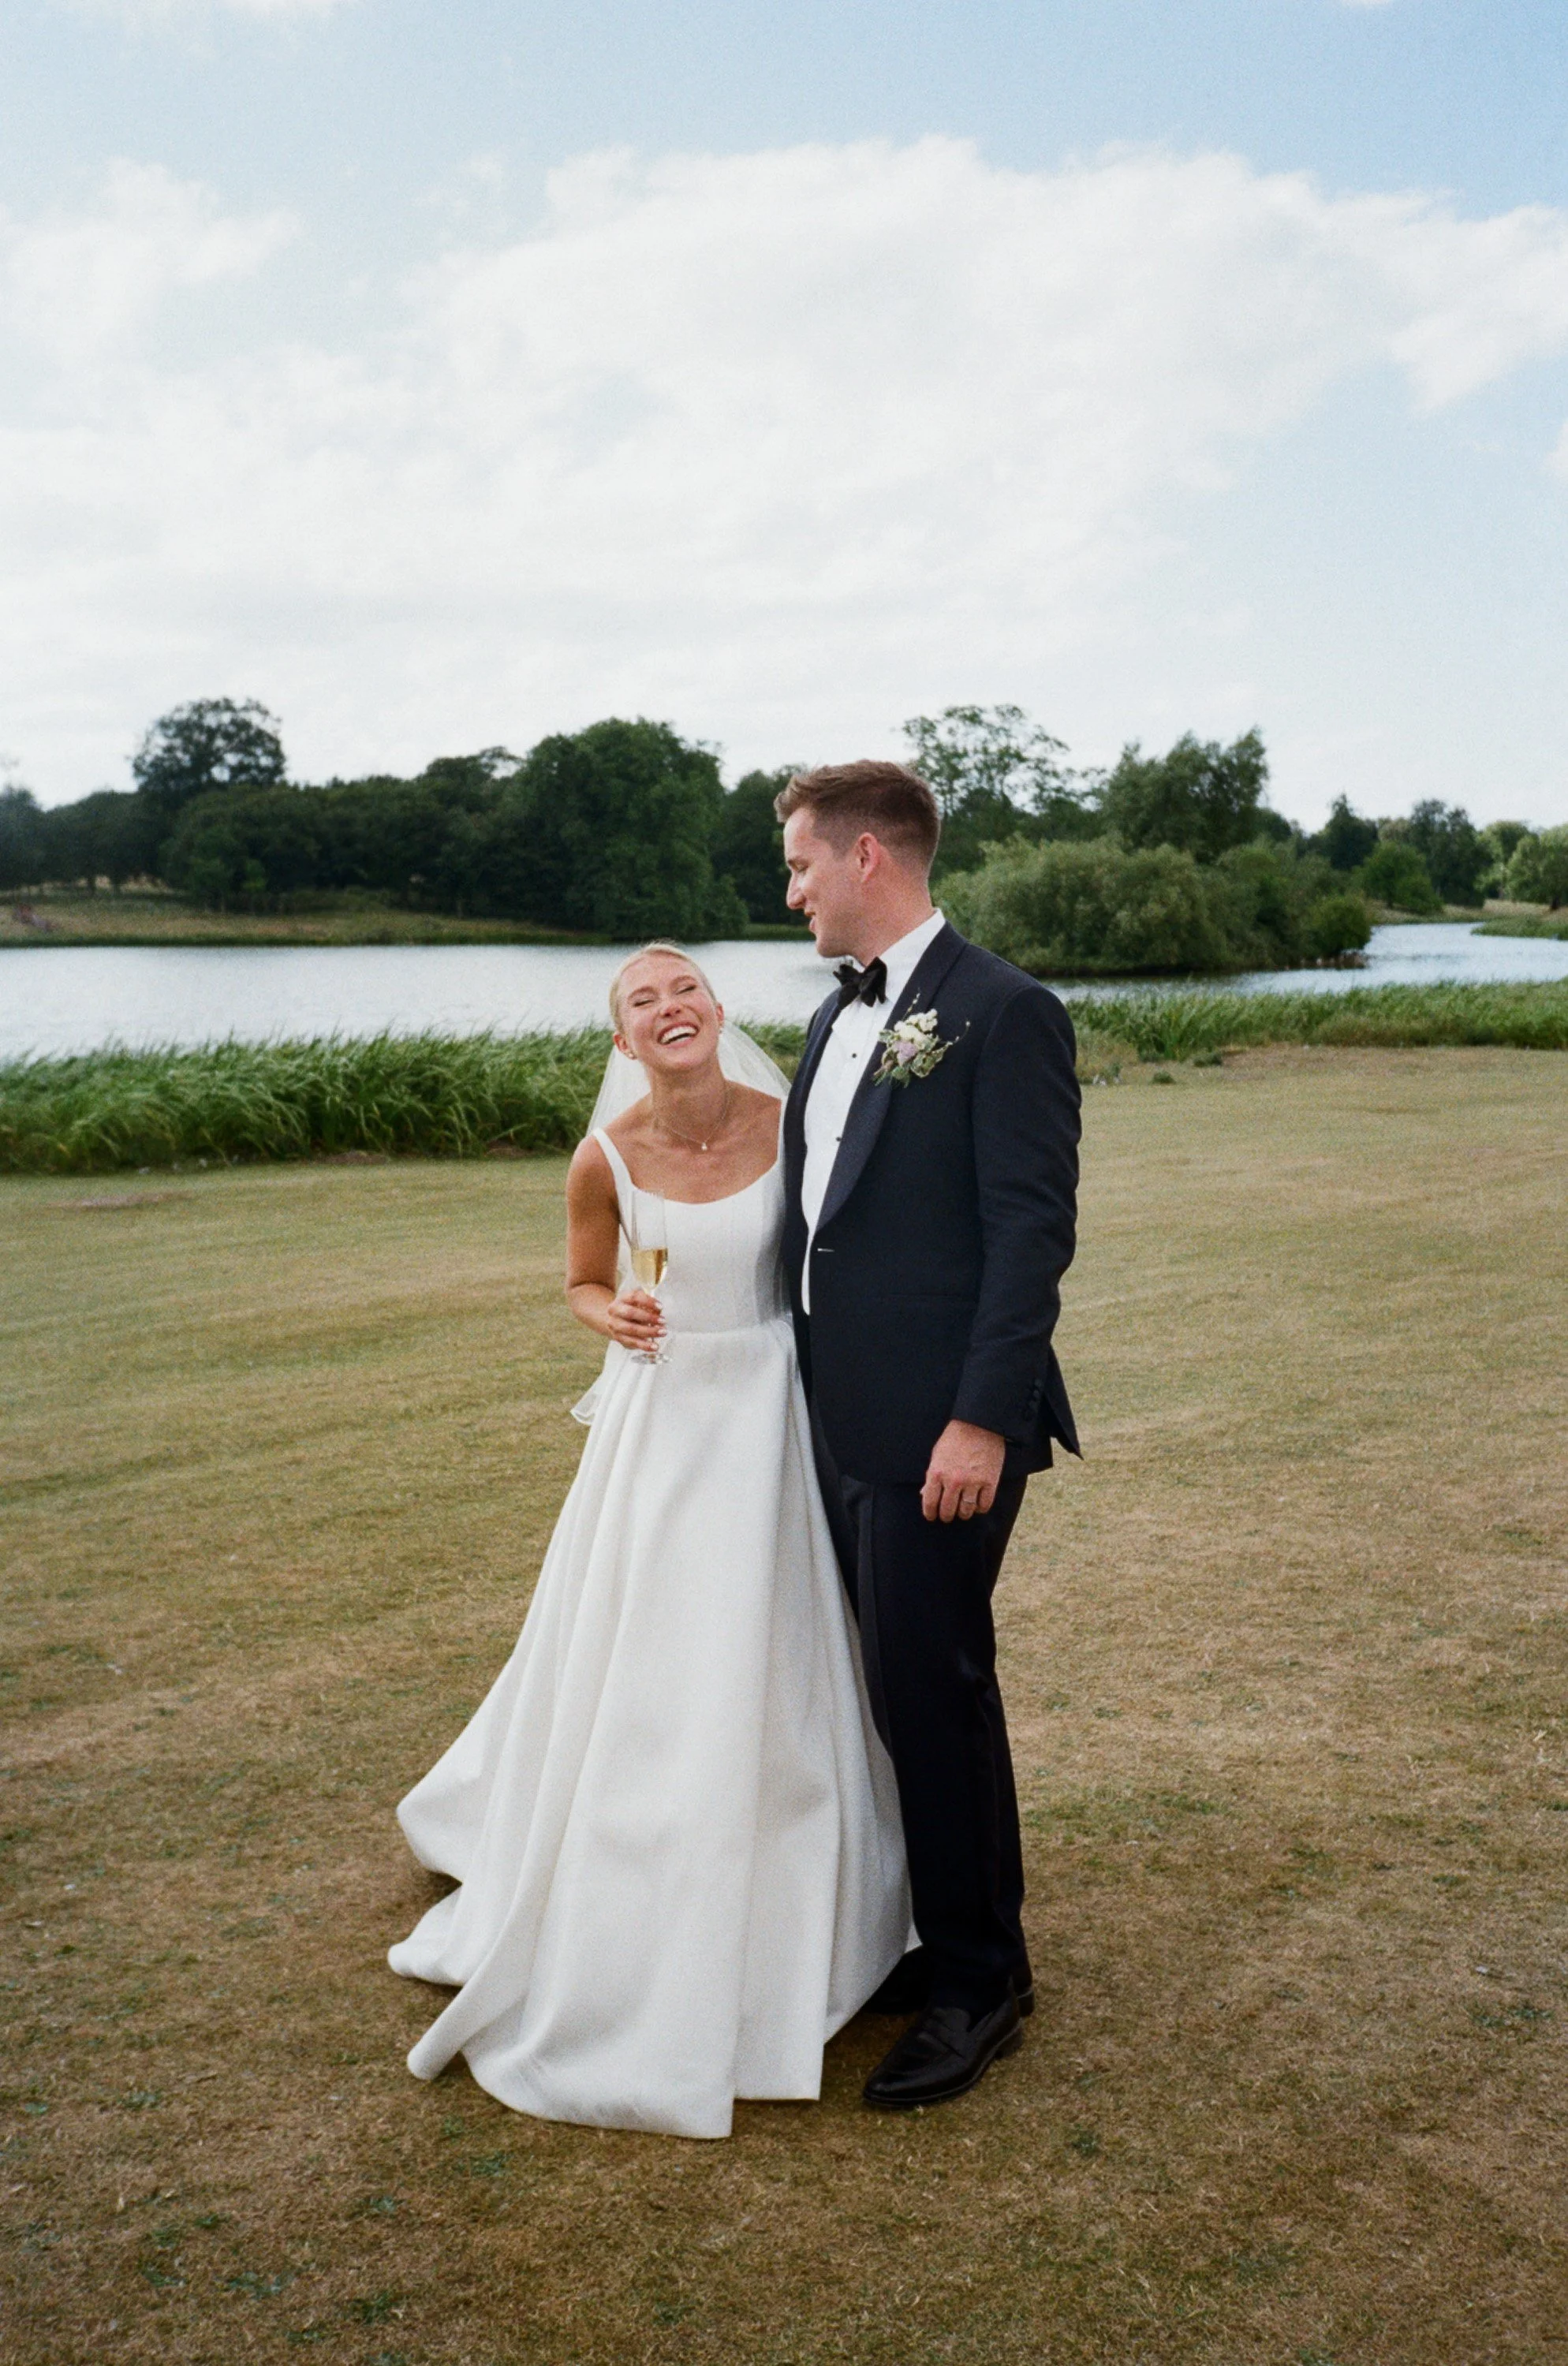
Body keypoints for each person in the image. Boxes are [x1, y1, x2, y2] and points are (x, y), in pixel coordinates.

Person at [387, 943, 909, 2140]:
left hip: (779, 1411)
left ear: (720, 1011)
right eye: (643, 1002)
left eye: (686, 990)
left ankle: (811, 1892)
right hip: (666, 1427)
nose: (670, 1010)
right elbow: (579, 1281)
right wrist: (608, 1310)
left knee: (783, 1651)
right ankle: (636, 1854)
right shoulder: (605, 1155)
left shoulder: (797, 1123)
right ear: (624, 1039)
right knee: (658, 1655)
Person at [778, 759, 1081, 2112]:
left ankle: (981, 1982)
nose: (791, 893)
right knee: (889, 1694)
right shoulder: (833, 1019)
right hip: (838, 1422)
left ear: (868, 860)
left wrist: (979, 1420)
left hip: (941, 1432)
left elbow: (1030, 1235)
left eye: (800, 866)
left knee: (936, 1692)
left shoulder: (1005, 1011)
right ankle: (936, 1931)